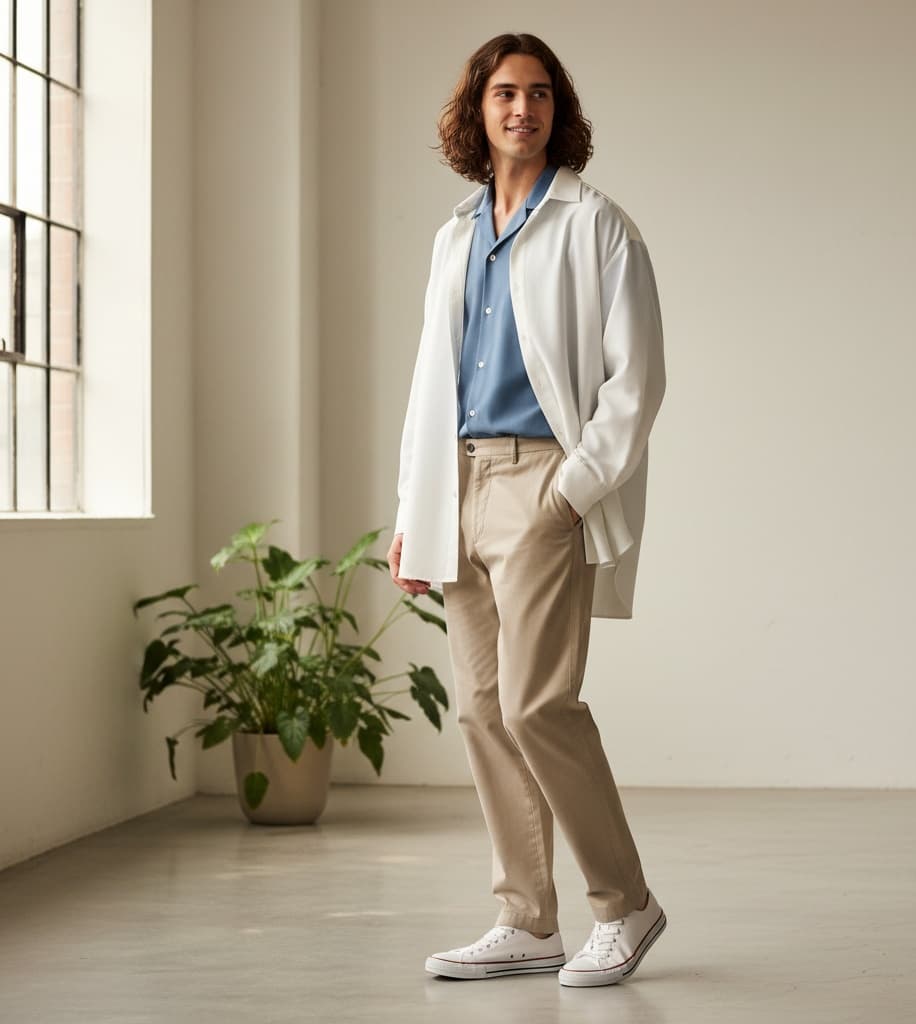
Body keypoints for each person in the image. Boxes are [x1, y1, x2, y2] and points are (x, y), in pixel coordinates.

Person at [387, 32, 667, 987]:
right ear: (478, 110)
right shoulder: (455, 234)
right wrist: (414, 506)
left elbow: (636, 383)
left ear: (559, 110)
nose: (524, 109)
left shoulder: (598, 227)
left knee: (540, 703)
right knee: (480, 708)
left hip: (542, 482)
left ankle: (624, 906)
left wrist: (569, 494)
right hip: (459, 484)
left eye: (540, 94)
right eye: (505, 93)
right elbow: (431, 382)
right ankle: (526, 917)